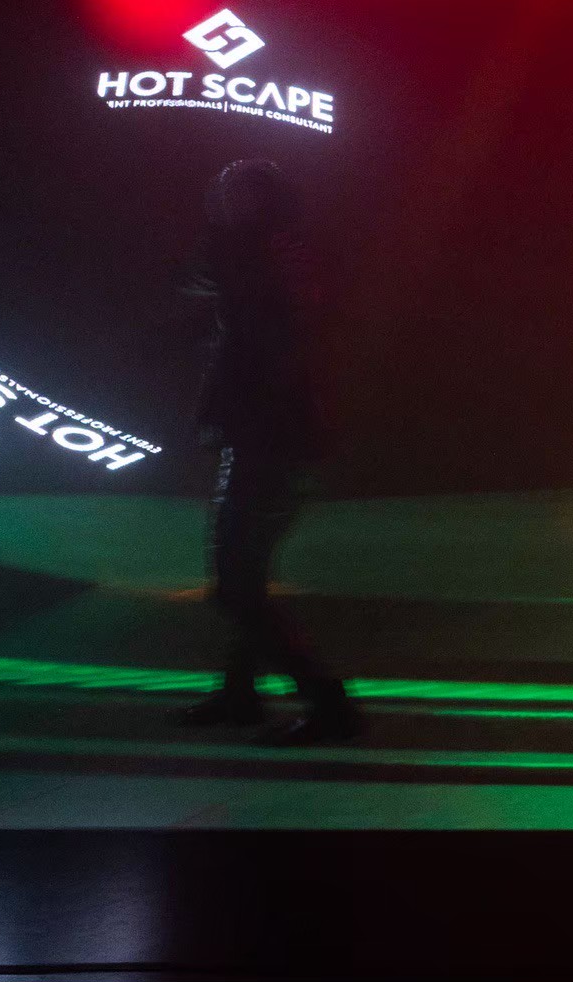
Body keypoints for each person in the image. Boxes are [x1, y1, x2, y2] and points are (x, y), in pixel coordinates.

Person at [172, 159, 361, 745]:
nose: (225, 203)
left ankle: (328, 705)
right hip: (271, 438)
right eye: (224, 192)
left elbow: (274, 345)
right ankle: (240, 694)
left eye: (239, 193)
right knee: (245, 575)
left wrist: (248, 420)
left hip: (270, 441)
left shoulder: (262, 259)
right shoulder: (271, 257)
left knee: (235, 584)